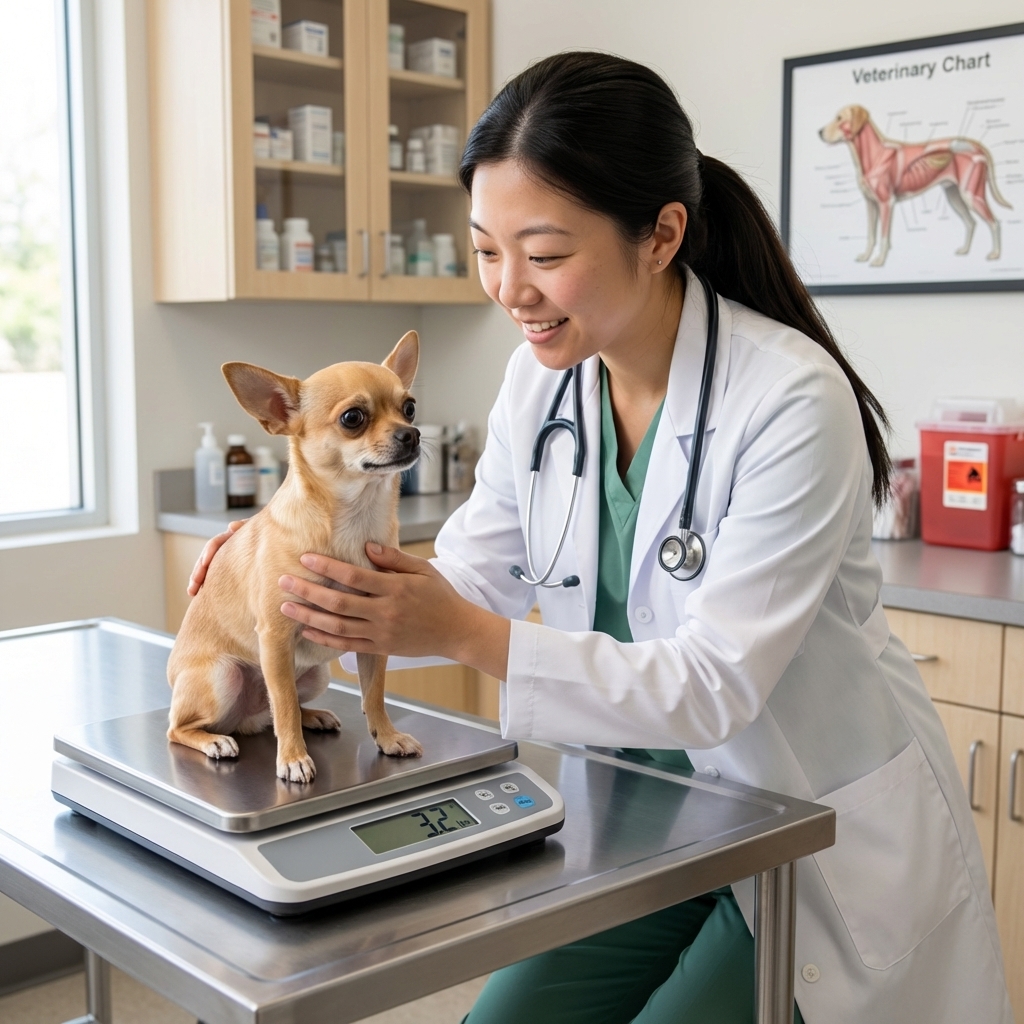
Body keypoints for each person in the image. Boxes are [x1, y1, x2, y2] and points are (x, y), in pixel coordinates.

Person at [190, 52, 1011, 1024]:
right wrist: (292, 563)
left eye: (542, 255)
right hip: (641, 822)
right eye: (485, 249)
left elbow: (712, 685)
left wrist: (460, 633)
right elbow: (468, 570)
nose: (508, 289)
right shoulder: (543, 381)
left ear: (661, 234)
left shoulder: (789, 399)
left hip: (797, 827)